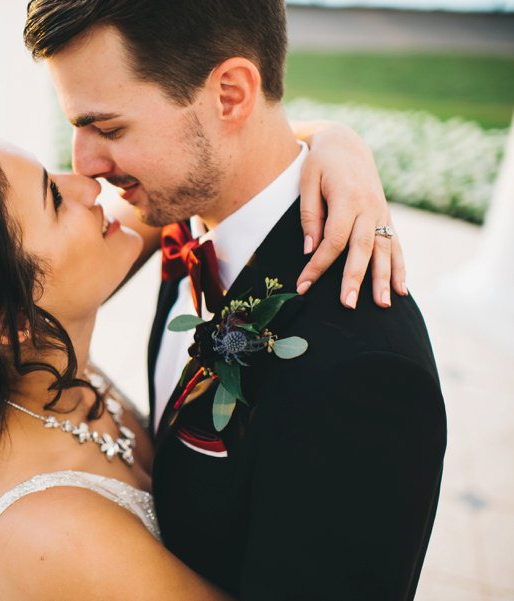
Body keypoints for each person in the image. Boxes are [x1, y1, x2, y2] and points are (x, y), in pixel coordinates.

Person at [0, 115, 412, 601]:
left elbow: (227, 169)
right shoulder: (52, 531)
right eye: (53, 198)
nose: (89, 183)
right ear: (8, 321)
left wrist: (340, 147)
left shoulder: (34, 367)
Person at [24, 1, 447, 600]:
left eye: (110, 128)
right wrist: (334, 136)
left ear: (229, 95)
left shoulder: (365, 374)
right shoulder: (177, 213)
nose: (85, 167)